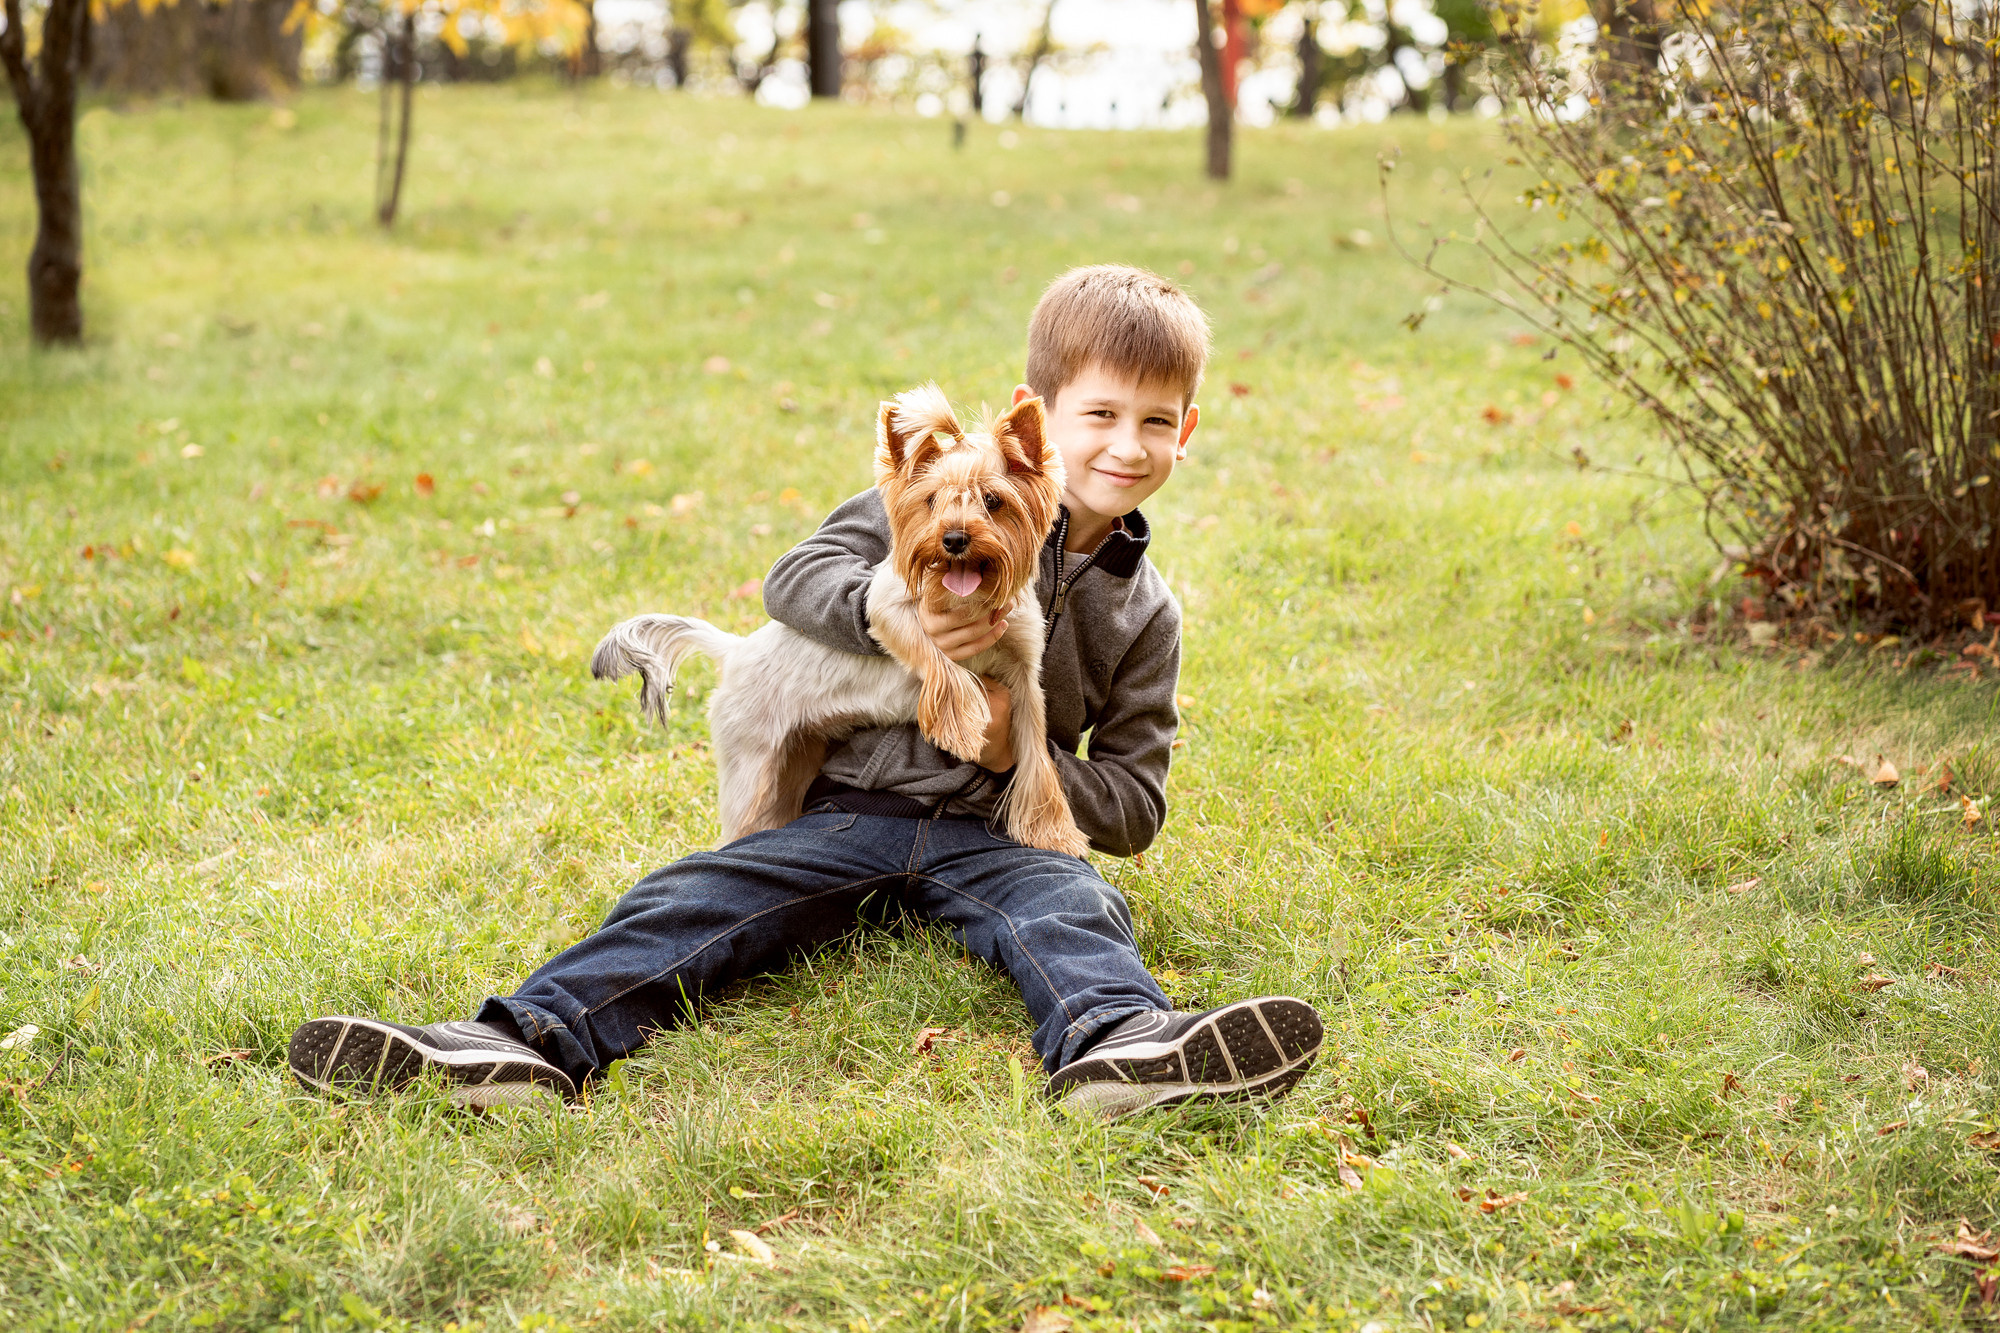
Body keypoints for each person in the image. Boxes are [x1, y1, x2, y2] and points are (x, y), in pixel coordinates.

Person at [287, 265, 1325, 1119]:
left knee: (1077, 906)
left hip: (998, 842)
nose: (1127, 444)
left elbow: (1135, 807)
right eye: (1098, 413)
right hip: (848, 812)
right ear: (1040, 422)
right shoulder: (937, 491)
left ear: (1184, 434)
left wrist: (1021, 753)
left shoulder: (1147, 614)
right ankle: (515, 1043)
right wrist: (905, 618)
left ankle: (1121, 1047)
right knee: (698, 898)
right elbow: (792, 583)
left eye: (1155, 421)